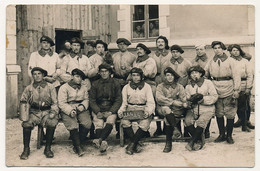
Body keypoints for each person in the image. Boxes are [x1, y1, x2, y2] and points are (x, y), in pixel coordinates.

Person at [204, 41, 241, 144]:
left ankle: (229, 135)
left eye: (219, 48)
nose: (217, 50)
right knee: (219, 113)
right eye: (215, 48)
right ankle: (221, 134)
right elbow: (205, 74)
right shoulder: (211, 61)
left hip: (229, 87)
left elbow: (236, 76)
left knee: (230, 113)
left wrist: (236, 90)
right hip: (215, 89)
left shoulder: (231, 61)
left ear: (223, 48)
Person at [19, 67, 59, 160]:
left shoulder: (50, 87)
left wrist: (53, 112)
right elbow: (23, 101)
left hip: (47, 111)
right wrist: (24, 113)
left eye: (39, 74)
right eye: (34, 74)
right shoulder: (29, 88)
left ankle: (48, 148)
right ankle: (26, 149)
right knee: (26, 124)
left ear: (43, 75)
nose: (37, 76)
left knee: (52, 122)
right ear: (32, 76)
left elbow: (55, 102)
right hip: (34, 112)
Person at [118, 68, 155, 155]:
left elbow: (150, 102)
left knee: (145, 123)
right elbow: (124, 103)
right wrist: (121, 111)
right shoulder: (126, 87)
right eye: (133, 75)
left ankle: (132, 144)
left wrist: (148, 111)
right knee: (124, 121)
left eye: (137, 75)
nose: (135, 77)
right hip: (130, 108)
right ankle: (136, 144)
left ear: (141, 76)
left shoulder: (147, 87)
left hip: (143, 108)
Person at [58, 69, 92, 157]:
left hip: (80, 107)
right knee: (72, 124)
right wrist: (70, 111)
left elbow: (86, 99)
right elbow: (61, 103)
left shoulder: (83, 87)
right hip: (68, 108)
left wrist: (82, 106)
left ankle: (79, 142)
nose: (79, 79)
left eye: (81, 77)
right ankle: (78, 147)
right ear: (72, 77)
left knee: (87, 123)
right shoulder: (64, 87)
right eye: (77, 76)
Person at [89, 64, 122, 153]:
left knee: (110, 121)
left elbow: (118, 100)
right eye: (102, 72)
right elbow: (92, 100)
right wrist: (97, 111)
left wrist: (111, 111)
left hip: (111, 108)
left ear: (110, 72)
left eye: (106, 71)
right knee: (98, 123)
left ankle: (99, 140)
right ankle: (103, 141)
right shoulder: (95, 84)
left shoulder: (115, 83)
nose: (104, 74)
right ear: (99, 73)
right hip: (98, 108)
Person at [184, 66, 218, 151]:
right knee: (187, 121)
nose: (194, 75)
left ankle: (192, 141)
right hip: (194, 109)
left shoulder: (208, 83)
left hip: (207, 108)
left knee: (201, 122)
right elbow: (186, 98)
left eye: (196, 73)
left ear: (201, 74)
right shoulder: (188, 86)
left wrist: (203, 99)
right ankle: (198, 140)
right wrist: (190, 101)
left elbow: (214, 96)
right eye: (192, 73)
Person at [156, 67, 187, 152]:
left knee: (168, 118)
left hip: (177, 110)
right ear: (165, 77)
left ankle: (168, 143)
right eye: (167, 75)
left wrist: (179, 103)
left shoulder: (179, 87)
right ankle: (175, 129)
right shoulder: (160, 86)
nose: (169, 77)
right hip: (163, 109)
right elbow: (159, 98)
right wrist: (172, 102)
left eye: (171, 75)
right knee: (166, 110)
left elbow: (183, 99)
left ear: (174, 77)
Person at [112, 38, 136, 139]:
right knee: (118, 103)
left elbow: (134, 70)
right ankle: (118, 130)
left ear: (127, 46)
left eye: (124, 44)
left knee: (127, 103)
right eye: (120, 44)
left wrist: (127, 79)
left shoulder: (132, 56)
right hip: (117, 81)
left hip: (127, 81)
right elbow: (111, 68)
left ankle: (128, 130)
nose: (122, 46)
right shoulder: (114, 56)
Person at [228, 44, 254, 132]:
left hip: (243, 83)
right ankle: (239, 120)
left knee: (244, 105)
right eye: (233, 50)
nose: (235, 52)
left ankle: (245, 123)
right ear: (230, 52)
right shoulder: (229, 61)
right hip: (232, 84)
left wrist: (248, 87)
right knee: (235, 104)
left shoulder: (245, 61)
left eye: (237, 50)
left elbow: (250, 75)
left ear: (240, 51)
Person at [150, 36, 172, 137]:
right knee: (157, 102)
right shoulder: (153, 55)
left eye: (162, 42)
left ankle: (168, 127)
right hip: (156, 79)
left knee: (167, 101)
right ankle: (159, 128)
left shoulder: (170, 54)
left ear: (165, 43)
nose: (160, 43)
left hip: (167, 79)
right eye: (158, 42)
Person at [191, 43, 211, 138]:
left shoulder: (209, 61)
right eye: (197, 50)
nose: (199, 51)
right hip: (195, 84)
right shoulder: (193, 61)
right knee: (196, 107)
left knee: (206, 108)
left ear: (205, 50)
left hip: (206, 84)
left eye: (201, 49)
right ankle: (197, 130)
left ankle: (206, 130)